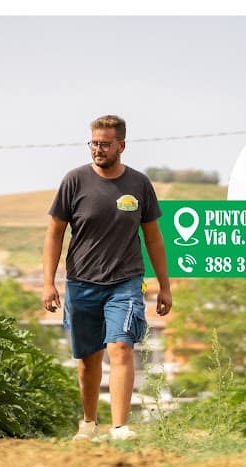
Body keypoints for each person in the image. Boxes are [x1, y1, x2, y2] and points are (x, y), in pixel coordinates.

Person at [42, 114, 172, 442]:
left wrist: (164, 286)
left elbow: (153, 238)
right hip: (81, 283)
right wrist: (48, 283)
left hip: (125, 282)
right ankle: (89, 422)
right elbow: (54, 235)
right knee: (88, 360)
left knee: (122, 348)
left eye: (105, 144)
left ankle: (119, 427)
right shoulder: (74, 181)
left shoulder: (139, 184)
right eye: (94, 143)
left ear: (121, 146)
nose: (98, 150)